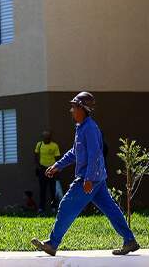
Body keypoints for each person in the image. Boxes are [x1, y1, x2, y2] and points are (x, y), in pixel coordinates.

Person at [32, 92, 139, 256]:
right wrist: (57, 165)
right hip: (97, 179)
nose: (71, 110)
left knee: (66, 205)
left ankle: (52, 244)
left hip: (89, 179)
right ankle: (129, 240)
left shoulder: (89, 128)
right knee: (110, 209)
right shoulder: (81, 128)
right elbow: (75, 152)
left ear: (82, 108)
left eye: (74, 107)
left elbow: (95, 154)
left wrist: (88, 179)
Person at [34, 130, 61, 213]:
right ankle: (41, 208)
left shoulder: (54, 146)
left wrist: (56, 169)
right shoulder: (39, 145)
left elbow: (58, 158)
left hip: (52, 169)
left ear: (50, 138)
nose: (46, 139)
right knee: (42, 189)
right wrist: (38, 166)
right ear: (43, 138)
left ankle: (54, 208)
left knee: (53, 189)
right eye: (45, 138)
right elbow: (36, 156)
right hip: (42, 169)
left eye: (48, 137)